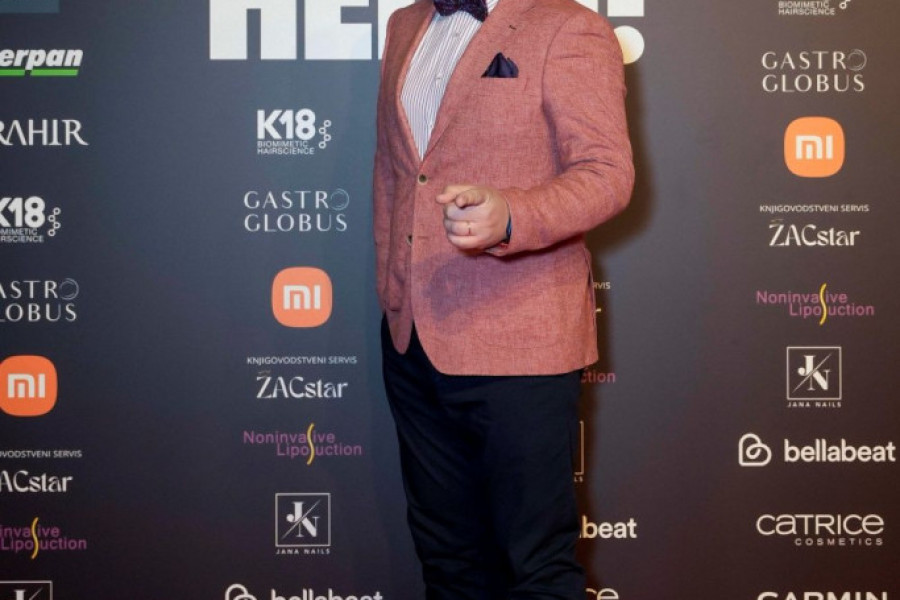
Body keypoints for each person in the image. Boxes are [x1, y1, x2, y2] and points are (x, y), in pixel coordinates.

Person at [372, 0, 634, 597]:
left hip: (523, 343)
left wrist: (513, 214)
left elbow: (606, 173)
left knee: (536, 567)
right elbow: (394, 172)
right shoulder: (405, 24)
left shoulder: (569, 26)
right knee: (448, 562)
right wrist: (393, 292)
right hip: (412, 339)